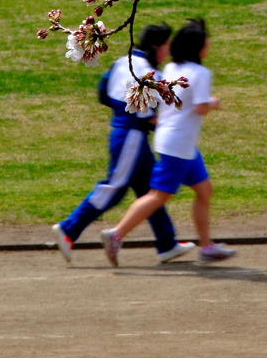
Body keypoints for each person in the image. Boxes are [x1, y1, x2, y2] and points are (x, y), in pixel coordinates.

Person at [52, 24, 195, 265]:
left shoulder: (123, 61)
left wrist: (122, 113)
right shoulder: (151, 73)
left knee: (151, 190)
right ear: (155, 46)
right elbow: (148, 114)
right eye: (166, 46)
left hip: (125, 133)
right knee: (114, 188)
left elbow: (102, 93)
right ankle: (68, 229)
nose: (168, 52)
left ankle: (166, 243)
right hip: (131, 136)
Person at [101, 19, 236, 267]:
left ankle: (206, 246)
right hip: (179, 145)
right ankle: (116, 234)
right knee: (157, 196)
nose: (209, 44)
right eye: (207, 40)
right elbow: (201, 107)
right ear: (198, 47)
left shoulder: (172, 67)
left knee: (204, 190)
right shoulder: (202, 73)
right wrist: (214, 102)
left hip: (175, 141)